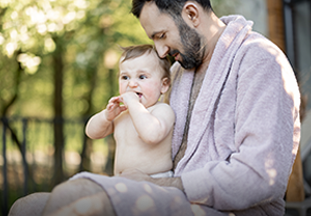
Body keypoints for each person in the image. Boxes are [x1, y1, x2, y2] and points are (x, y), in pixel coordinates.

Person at [9, 0, 301, 216]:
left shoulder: (259, 60)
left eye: (161, 35)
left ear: (191, 13)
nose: (160, 52)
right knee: (26, 207)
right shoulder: (179, 71)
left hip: (227, 210)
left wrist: (163, 185)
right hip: (172, 196)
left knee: (81, 196)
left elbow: (263, 176)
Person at [85, 44, 175, 178]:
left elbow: (152, 135)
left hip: (154, 181)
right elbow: (91, 132)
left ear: (164, 85)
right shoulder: (122, 114)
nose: (131, 84)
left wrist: (133, 104)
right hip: (123, 181)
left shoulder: (162, 110)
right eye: (125, 77)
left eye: (142, 77)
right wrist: (106, 116)